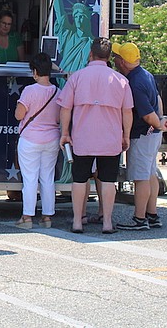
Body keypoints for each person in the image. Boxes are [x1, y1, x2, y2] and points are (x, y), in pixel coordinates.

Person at [58, 37, 133, 234]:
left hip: (82, 137)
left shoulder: (77, 77)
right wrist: (126, 135)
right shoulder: (121, 80)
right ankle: (107, 222)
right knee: (108, 180)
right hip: (111, 138)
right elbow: (127, 112)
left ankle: (77, 221)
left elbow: (65, 108)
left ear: (90, 54)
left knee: (79, 180)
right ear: (108, 57)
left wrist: (65, 133)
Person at [112, 42, 167, 231]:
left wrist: (157, 122)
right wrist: (161, 121)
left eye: (117, 57)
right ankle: (152, 215)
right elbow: (158, 100)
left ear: (122, 62)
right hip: (153, 134)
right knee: (150, 173)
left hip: (143, 134)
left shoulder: (134, 83)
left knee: (140, 177)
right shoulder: (146, 74)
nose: (114, 60)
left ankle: (139, 219)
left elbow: (146, 113)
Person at [13, 52, 61, 229]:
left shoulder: (29, 91)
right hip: (52, 139)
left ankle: (27, 217)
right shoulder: (58, 92)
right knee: (48, 178)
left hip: (30, 140)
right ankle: (47, 217)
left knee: (30, 179)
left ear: (34, 72)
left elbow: (19, 115)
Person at [54, 0, 94, 73]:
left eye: (81, 16)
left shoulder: (91, 42)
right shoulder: (67, 35)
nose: (78, 19)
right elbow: (60, 13)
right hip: (65, 79)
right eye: (76, 16)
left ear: (86, 19)